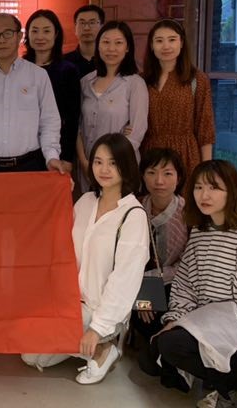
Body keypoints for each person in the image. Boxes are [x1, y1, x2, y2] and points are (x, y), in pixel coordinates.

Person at [21, 133, 149, 384]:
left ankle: (103, 346)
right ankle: (89, 347)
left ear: (126, 165)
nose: (104, 169)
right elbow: (59, 243)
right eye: (98, 162)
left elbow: (125, 282)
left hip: (100, 309)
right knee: (30, 356)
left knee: (40, 342)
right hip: (69, 301)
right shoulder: (86, 201)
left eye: (113, 163)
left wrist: (97, 328)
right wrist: (58, 194)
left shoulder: (133, 215)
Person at [154, 160, 237, 407]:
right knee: (154, 352)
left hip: (236, 325)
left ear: (231, 191)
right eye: (199, 187)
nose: (204, 195)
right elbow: (185, 284)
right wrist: (176, 319)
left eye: (214, 188)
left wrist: (198, 326)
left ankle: (227, 386)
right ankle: (218, 375)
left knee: (171, 344)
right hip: (201, 318)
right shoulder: (199, 231)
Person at [0, 13, 65, 175]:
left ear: (19, 36)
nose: (1, 40)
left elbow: (49, 121)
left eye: (7, 33)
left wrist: (51, 156)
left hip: (30, 165)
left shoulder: (38, 75)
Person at [131, 148, 189, 371]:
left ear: (178, 177)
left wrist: (154, 279)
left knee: (170, 315)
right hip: (138, 282)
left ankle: (163, 355)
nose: (159, 181)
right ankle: (157, 351)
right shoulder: (134, 207)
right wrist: (144, 288)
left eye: (167, 173)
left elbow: (187, 264)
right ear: (142, 175)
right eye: (151, 172)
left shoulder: (188, 213)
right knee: (144, 316)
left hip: (176, 282)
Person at [76, 20, 148, 191]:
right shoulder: (86, 82)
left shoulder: (134, 83)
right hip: (87, 166)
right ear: (98, 45)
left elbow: (137, 131)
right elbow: (77, 127)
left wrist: (109, 164)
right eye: (106, 42)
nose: (111, 49)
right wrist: (84, 161)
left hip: (120, 168)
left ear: (127, 47)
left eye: (118, 43)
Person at [141, 19, 216, 177]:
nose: (166, 46)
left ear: (181, 43)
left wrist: (206, 170)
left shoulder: (197, 79)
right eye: (159, 41)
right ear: (151, 45)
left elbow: (205, 127)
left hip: (185, 155)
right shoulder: (142, 80)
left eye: (172, 40)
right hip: (150, 155)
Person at [23, 9, 81, 172]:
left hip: (56, 149)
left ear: (56, 34)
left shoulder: (68, 70)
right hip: (24, 150)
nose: (40, 36)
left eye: (46, 31)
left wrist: (67, 157)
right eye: (35, 31)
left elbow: (72, 118)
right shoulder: (19, 68)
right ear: (27, 35)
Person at [63, 4, 105, 78]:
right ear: (75, 27)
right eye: (82, 23)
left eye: (92, 23)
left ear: (102, 27)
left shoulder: (109, 60)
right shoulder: (63, 62)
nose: (86, 28)